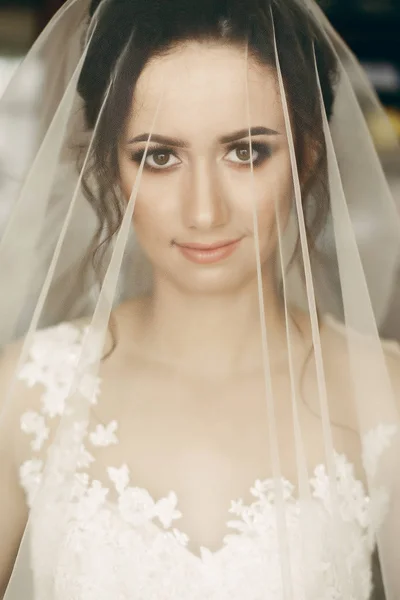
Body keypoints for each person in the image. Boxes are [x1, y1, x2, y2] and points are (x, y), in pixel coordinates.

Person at [0, 0, 399, 598]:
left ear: (307, 156)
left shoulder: (385, 396)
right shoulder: (23, 394)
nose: (204, 210)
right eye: (159, 157)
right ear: (113, 166)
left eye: (246, 152)